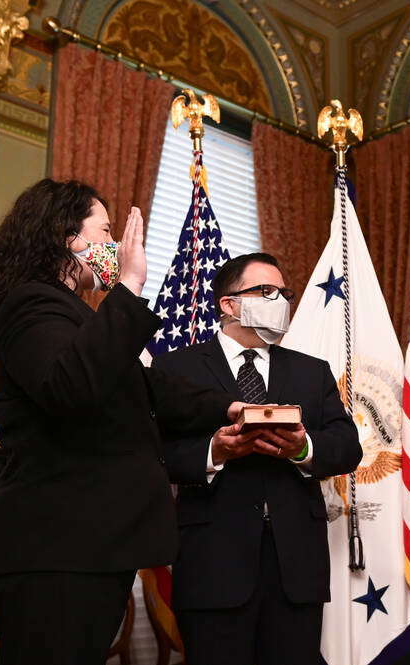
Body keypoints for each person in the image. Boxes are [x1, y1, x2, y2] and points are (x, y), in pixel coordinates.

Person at [0, 178, 248, 665]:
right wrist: (130, 286)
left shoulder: (74, 315)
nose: (114, 245)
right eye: (105, 231)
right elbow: (70, 387)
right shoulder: (31, 305)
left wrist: (229, 407)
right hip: (52, 551)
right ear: (67, 235)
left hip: (84, 547)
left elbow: (148, 388)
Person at [151, 252, 362, 665]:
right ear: (228, 304)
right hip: (214, 562)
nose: (279, 301)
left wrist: (303, 448)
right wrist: (215, 451)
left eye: (284, 293)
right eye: (265, 292)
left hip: (295, 568)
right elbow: (155, 454)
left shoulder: (311, 371)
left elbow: (347, 446)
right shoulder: (176, 369)